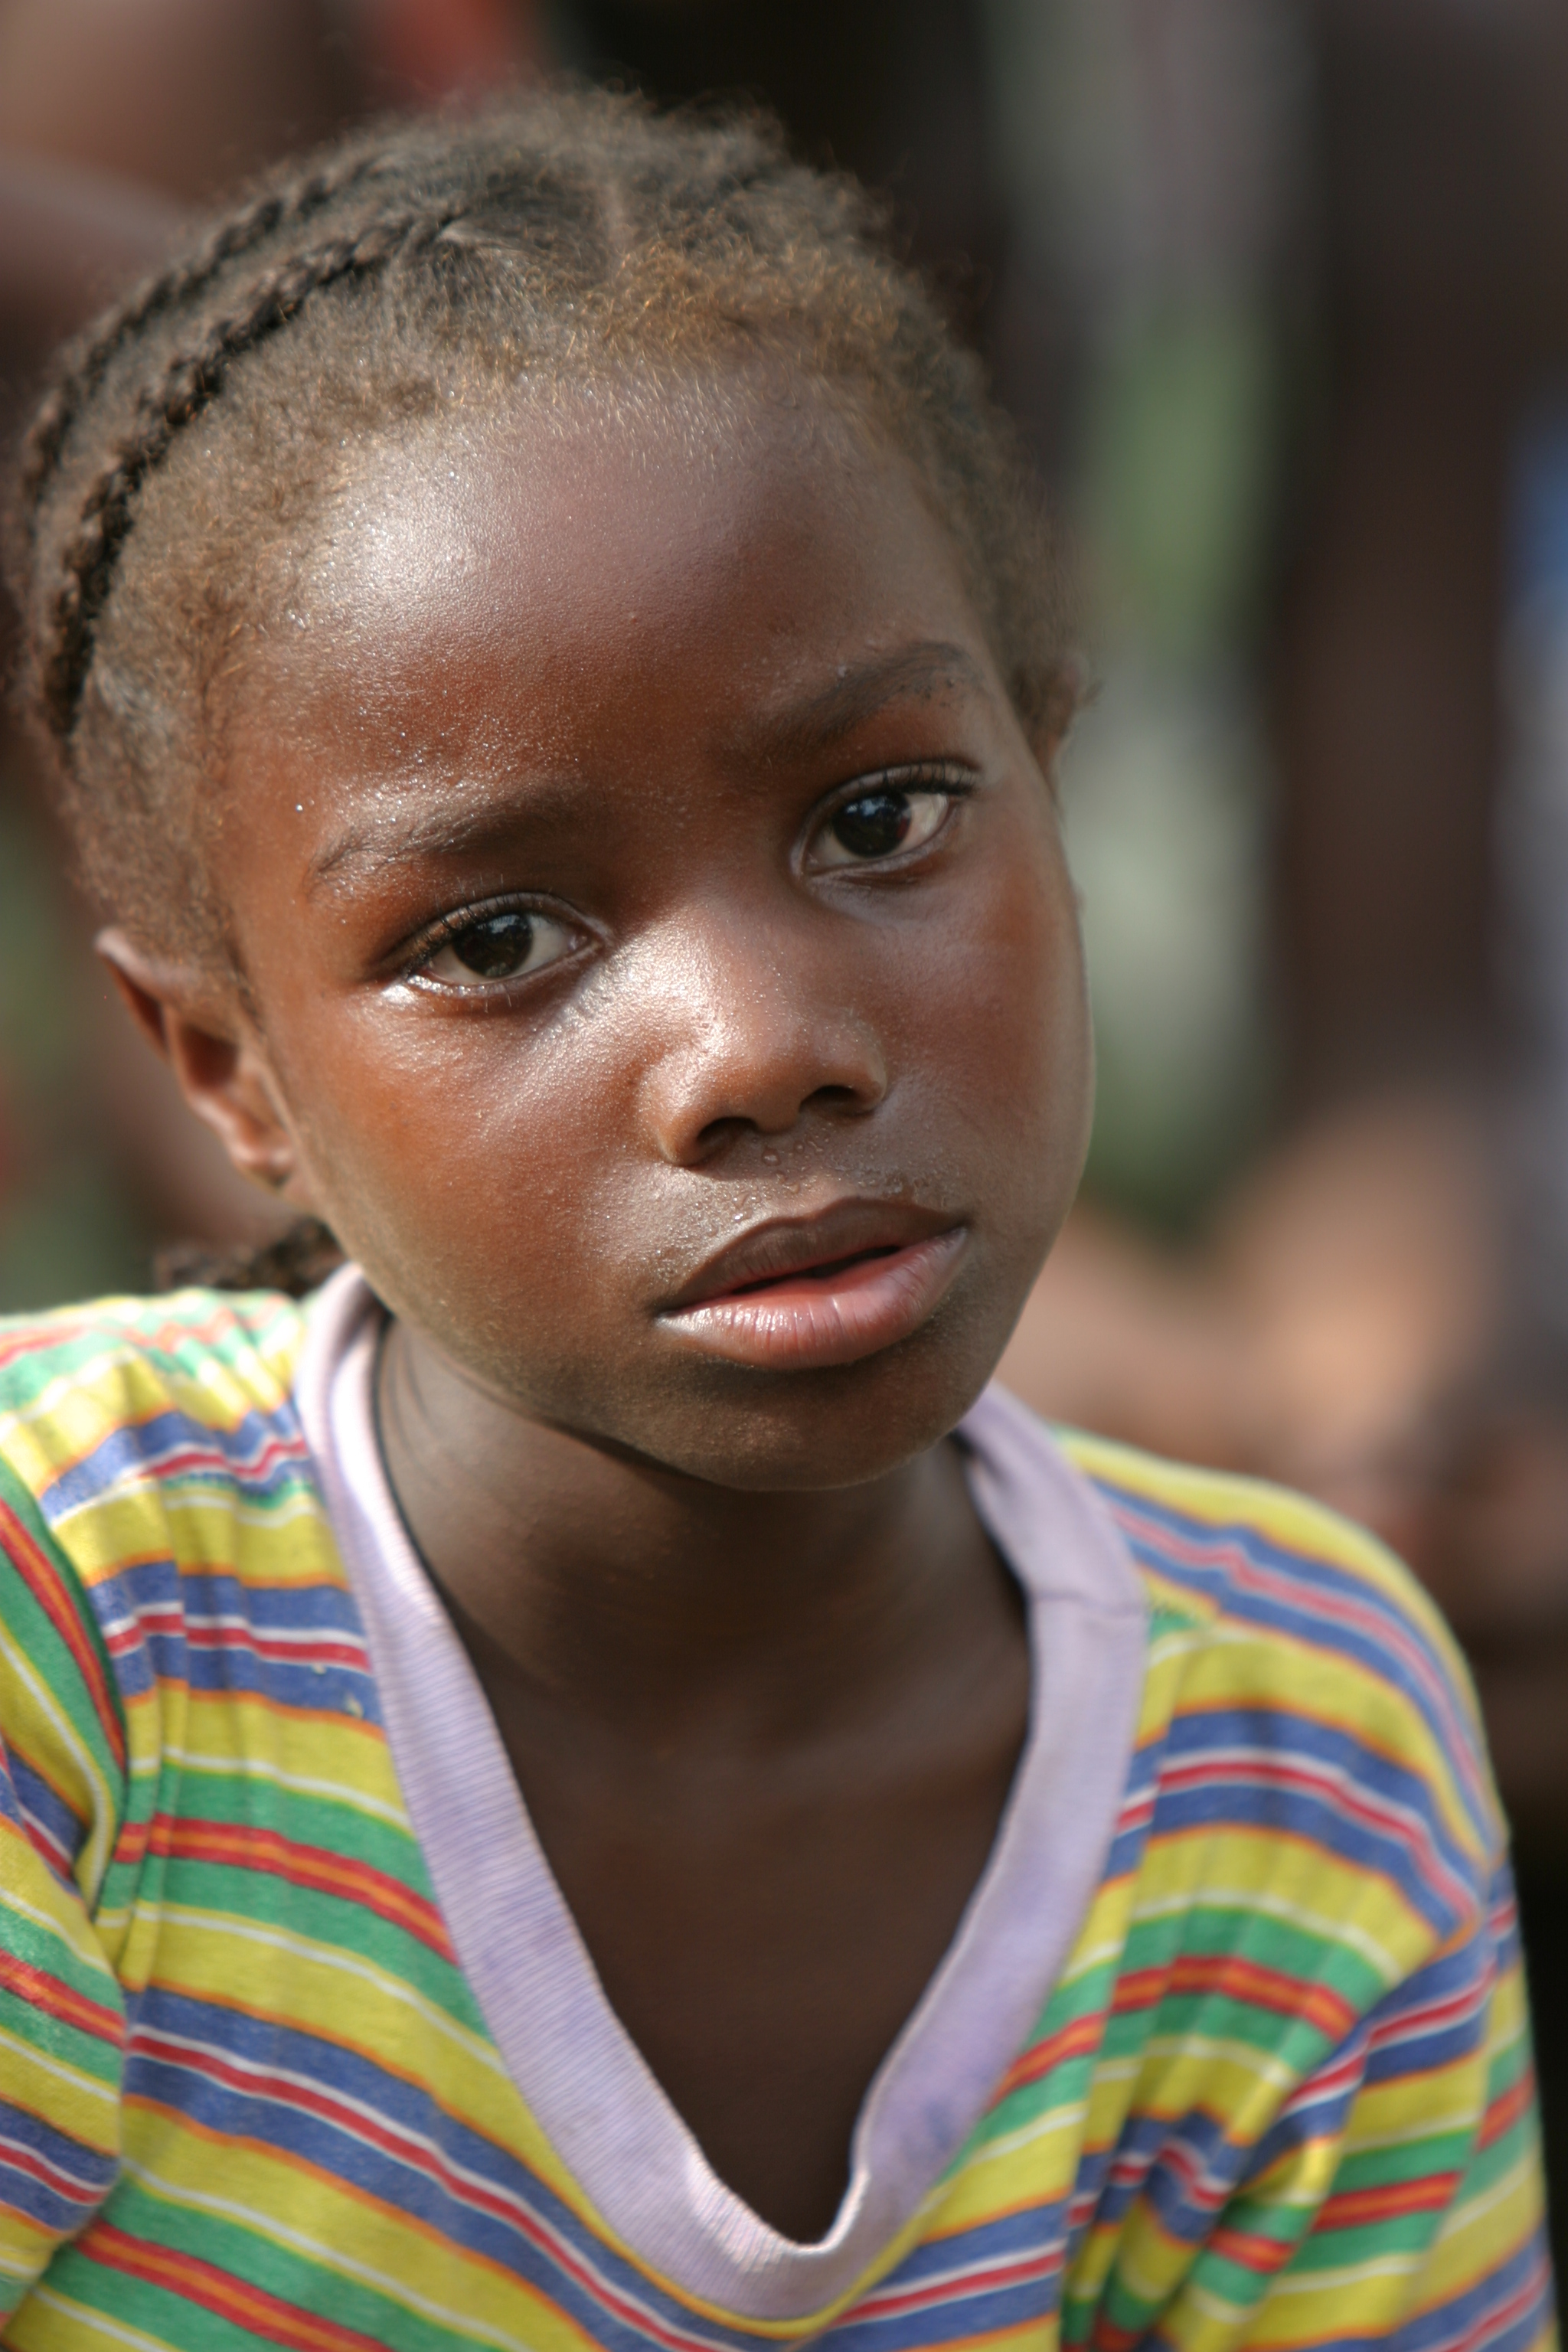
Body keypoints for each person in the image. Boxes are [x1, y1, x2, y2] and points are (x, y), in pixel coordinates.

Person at [0, 93, 1550, 2349]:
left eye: (884, 813)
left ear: (1056, 776)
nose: (763, 1044)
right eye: (503, 937)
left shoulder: (1302, 1758)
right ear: (235, 1079)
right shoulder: (75, 1637)